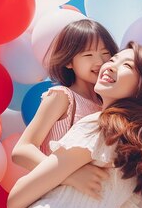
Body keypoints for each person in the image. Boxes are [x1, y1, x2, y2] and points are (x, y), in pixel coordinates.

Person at [8, 41, 142, 208]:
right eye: (113, 59)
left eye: (127, 65)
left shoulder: (98, 126)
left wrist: (65, 176)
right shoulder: (132, 154)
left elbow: (16, 198)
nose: (111, 66)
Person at [11, 19, 119, 197]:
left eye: (105, 53)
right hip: (56, 202)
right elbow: (22, 150)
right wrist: (70, 175)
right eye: (88, 55)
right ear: (69, 62)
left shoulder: (108, 108)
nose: (99, 61)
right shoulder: (63, 96)